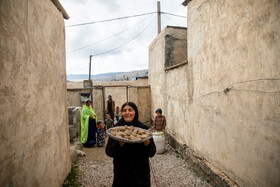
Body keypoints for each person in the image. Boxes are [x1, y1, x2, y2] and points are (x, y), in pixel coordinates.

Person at [106, 102, 156, 187]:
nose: (127, 113)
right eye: (124, 110)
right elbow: (109, 152)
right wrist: (119, 143)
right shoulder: (116, 129)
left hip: (141, 174)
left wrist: (147, 142)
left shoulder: (143, 128)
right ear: (122, 113)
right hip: (122, 174)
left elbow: (152, 153)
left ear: (135, 112)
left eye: (130, 110)